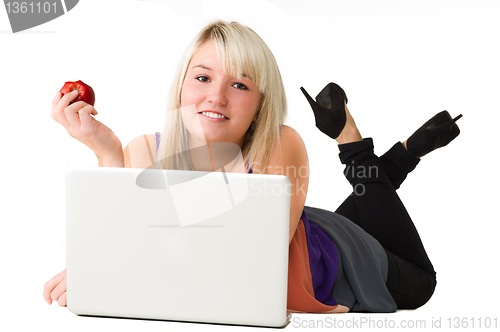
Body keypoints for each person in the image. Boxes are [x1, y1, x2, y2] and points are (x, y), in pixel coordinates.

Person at [44, 20, 462, 313]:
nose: (217, 97)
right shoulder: (140, 150)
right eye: (203, 78)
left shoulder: (280, 142)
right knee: (358, 206)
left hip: (348, 262)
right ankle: (403, 153)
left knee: (422, 280)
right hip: (313, 235)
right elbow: (127, 236)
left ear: (261, 103)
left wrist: (112, 270)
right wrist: (108, 154)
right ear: (182, 86)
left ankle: (351, 144)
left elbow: (242, 257)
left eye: (239, 85)